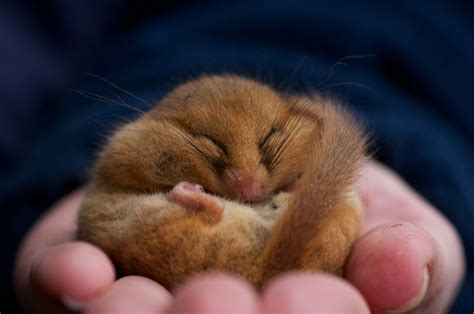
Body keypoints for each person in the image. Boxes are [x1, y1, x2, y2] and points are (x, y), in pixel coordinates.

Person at [2, 0, 473, 312]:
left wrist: (422, 162)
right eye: (215, 151)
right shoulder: (148, 137)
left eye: (268, 150)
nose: (248, 181)